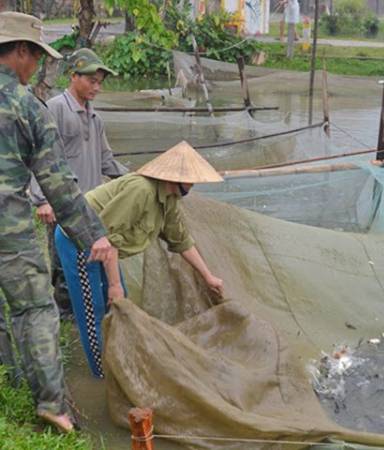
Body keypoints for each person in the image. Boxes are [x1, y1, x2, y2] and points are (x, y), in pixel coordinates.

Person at [0, 12, 115, 433]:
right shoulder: (29, 106)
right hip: (9, 230)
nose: (38, 68)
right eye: (36, 57)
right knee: (35, 309)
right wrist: (93, 237)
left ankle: (9, 381)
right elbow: (59, 187)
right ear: (21, 53)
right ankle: (51, 404)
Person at [55, 141, 225, 378]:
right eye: (191, 179)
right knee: (93, 309)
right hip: (80, 240)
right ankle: (103, 375)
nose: (194, 184)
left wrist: (208, 277)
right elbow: (105, 236)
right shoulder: (142, 190)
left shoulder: (169, 200)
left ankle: (120, 361)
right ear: (174, 178)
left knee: (120, 304)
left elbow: (181, 240)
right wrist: (113, 285)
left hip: (105, 245)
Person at [30, 48, 129, 321]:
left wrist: (135, 179)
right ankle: (64, 317)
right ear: (73, 76)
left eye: (99, 82)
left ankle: (85, 313)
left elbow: (106, 160)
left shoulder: (95, 117)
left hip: (91, 204)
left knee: (90, 260)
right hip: (62, 202)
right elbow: (40, 155)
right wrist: (42, 199)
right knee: (63, 265)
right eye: (91, 81)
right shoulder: (56, 108)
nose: (96, 87)